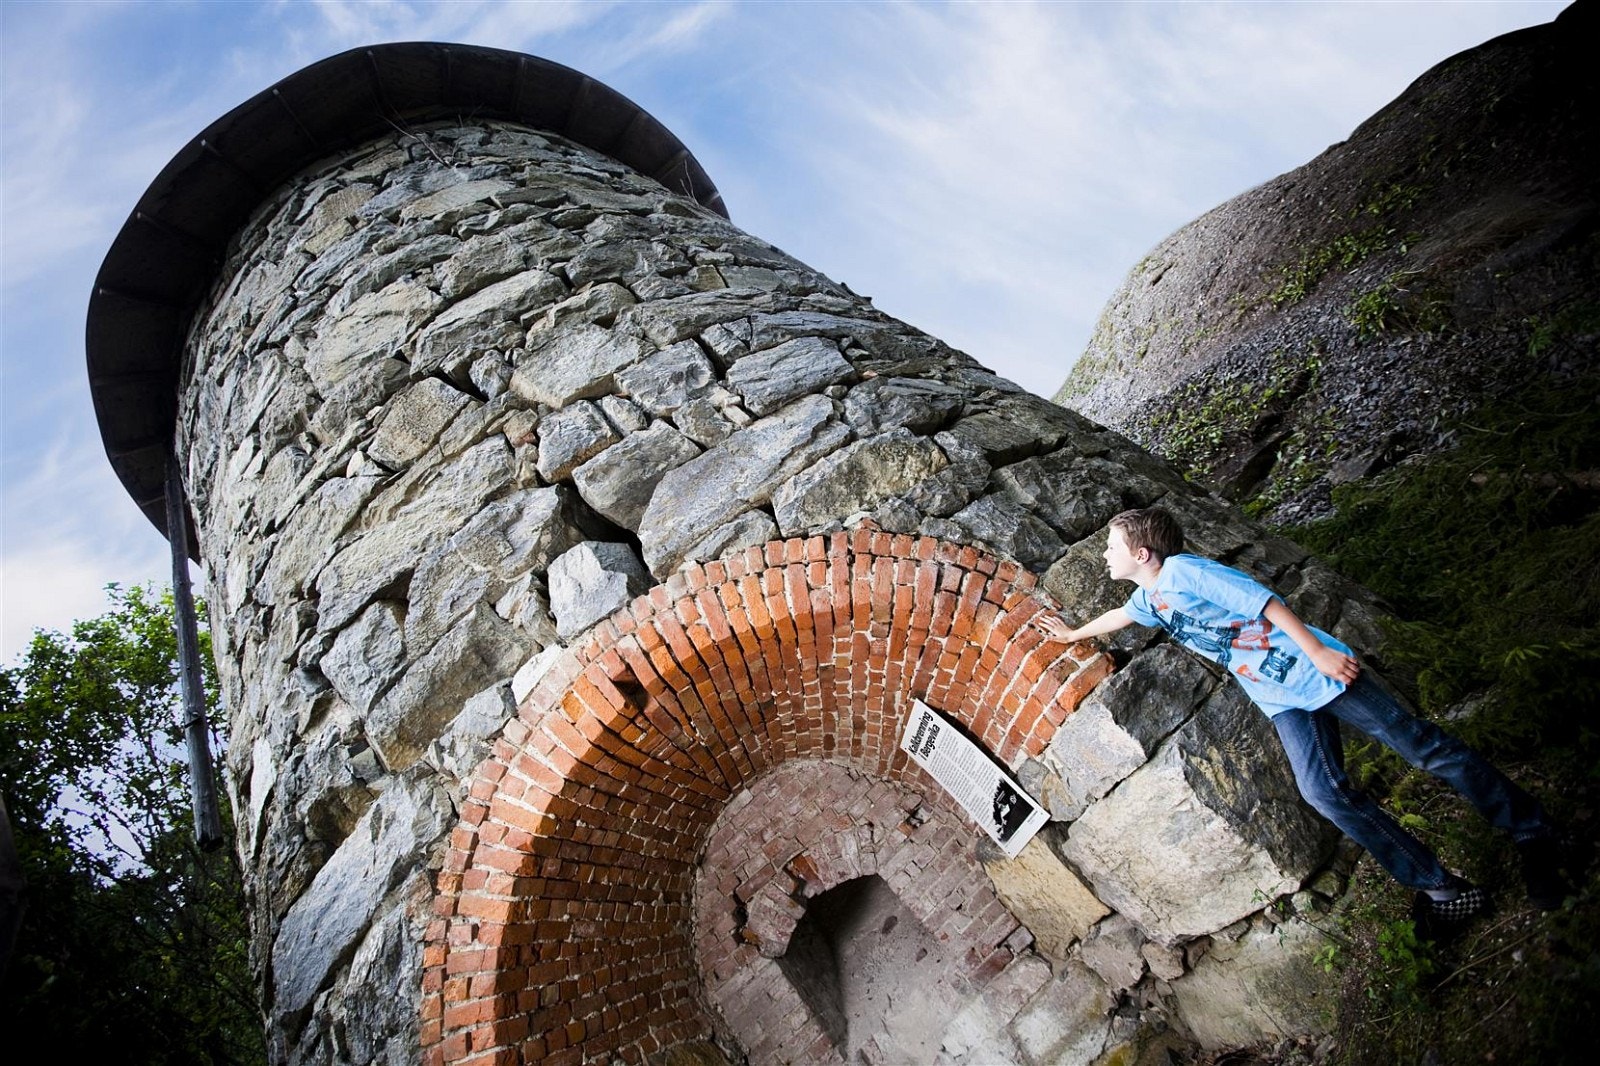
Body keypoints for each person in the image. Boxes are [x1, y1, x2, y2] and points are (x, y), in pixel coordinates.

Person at [1033, 506, 1567, 934]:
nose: (1104, 554)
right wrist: (1071, 635)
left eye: (1111, 546)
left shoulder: (1185, 572)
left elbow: (1264, 601)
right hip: (1282, 699)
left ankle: (1534, 834)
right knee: (1324, 794)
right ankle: (1444, 890)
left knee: (1424, 749)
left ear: (1142, 553)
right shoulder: (1150, 596)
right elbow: (1121, 616)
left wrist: (1317, 652)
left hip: (1319, 674)